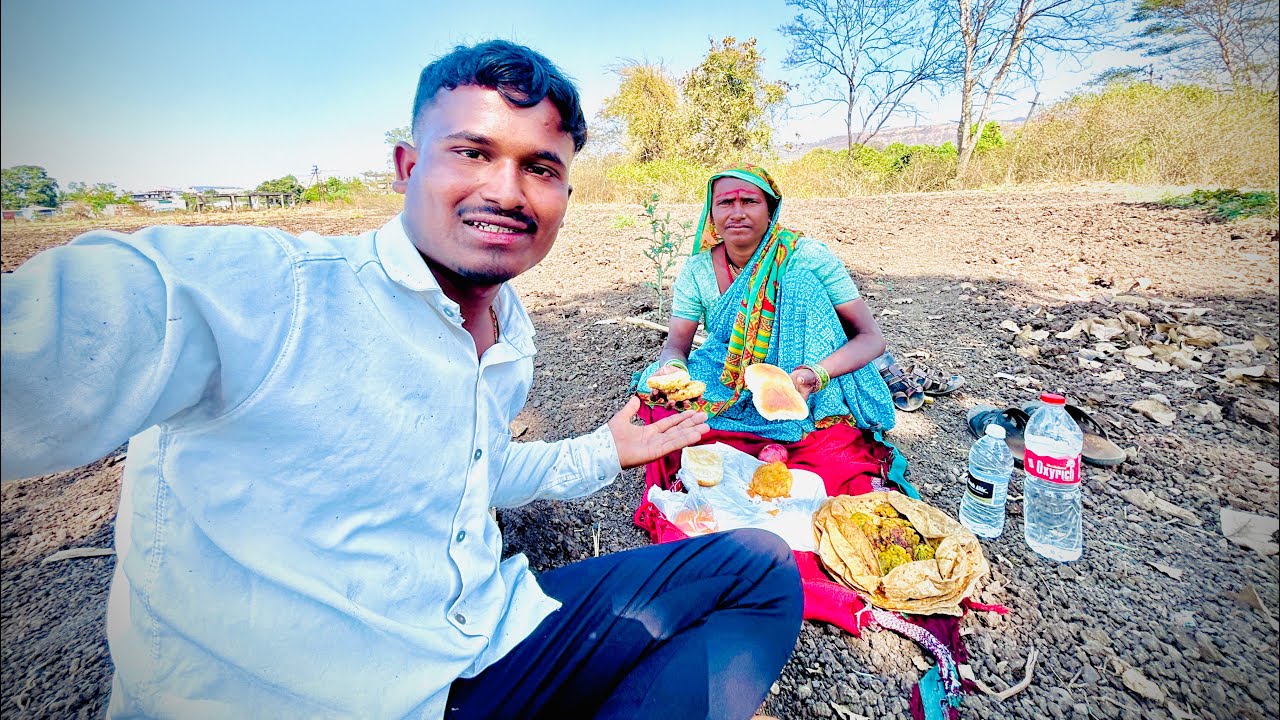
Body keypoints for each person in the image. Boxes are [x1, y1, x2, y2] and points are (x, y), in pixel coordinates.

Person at [1, 41, 802, 719]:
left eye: (541, 168)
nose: (506, 190)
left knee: (761, 570)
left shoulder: (506, 329)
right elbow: (62, 338)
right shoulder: (262, 292)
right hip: (311, 700)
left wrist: (605, 449)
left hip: (477, 645)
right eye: (474, 152)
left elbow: (472, 470)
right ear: (407, 165)